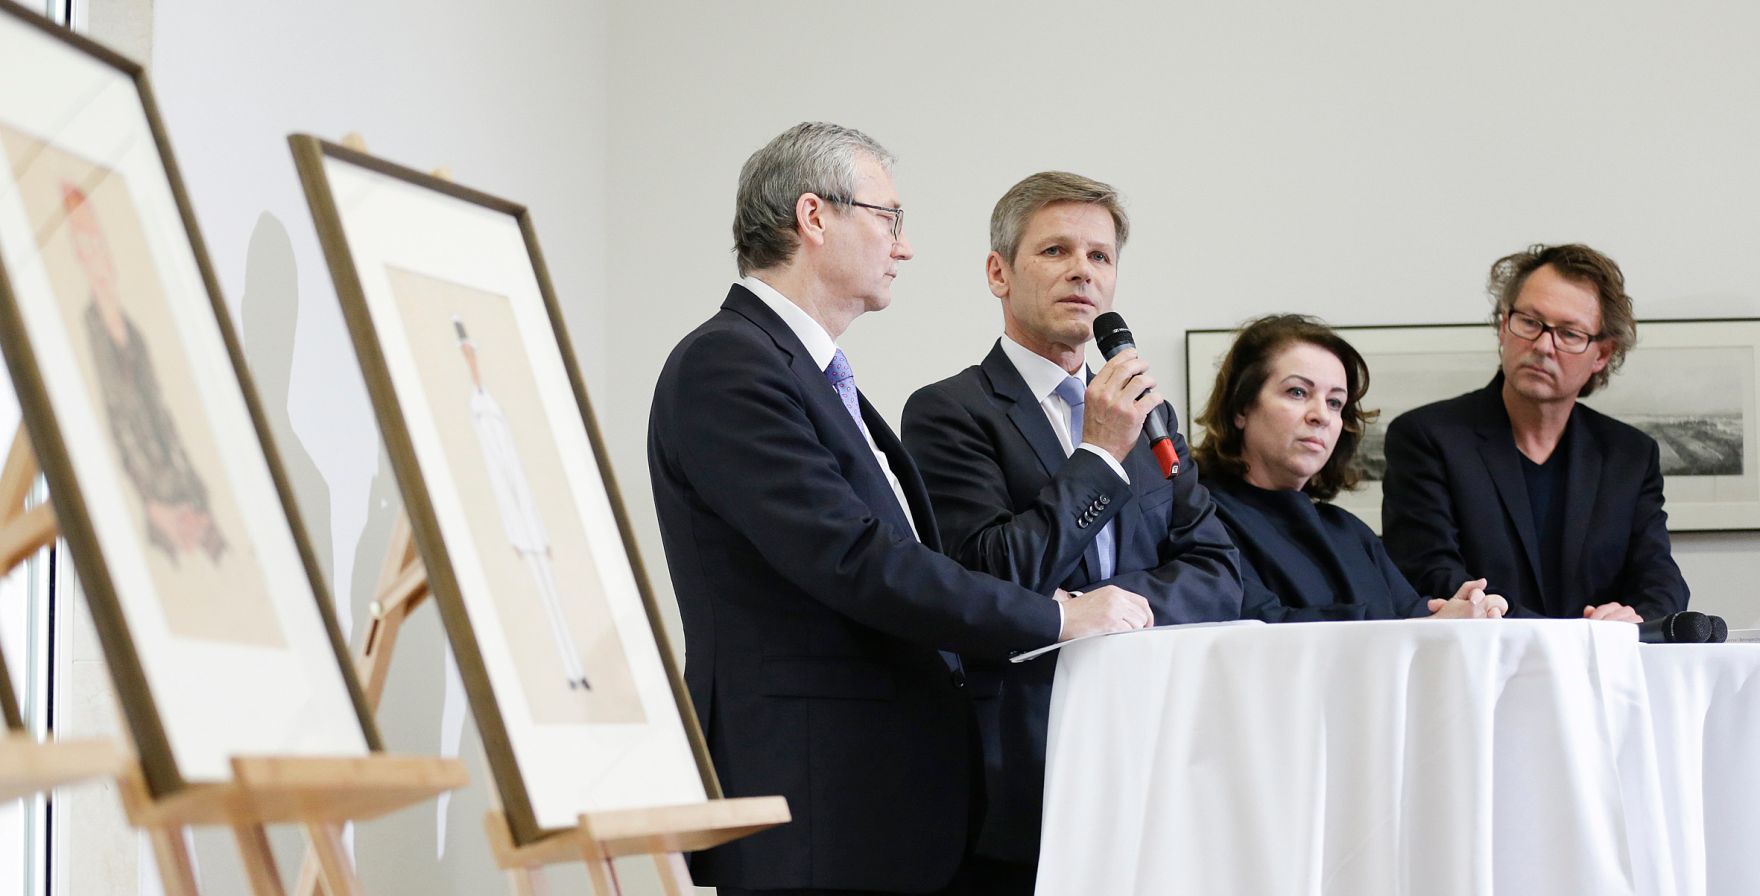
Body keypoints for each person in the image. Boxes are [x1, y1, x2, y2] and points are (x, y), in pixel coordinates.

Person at [647, 123, 1152, 896]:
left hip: (877, 793)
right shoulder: (729, 363)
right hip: (812, 792)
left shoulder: (807, 371)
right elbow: (857, 559)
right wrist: (1055, 616)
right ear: (814, 217)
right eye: (889, 218)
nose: (904, 247)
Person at [901, 171, 1241, 891]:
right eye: (1055, 250)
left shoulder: (1150, 413)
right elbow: (990, 574)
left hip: (1152, 745)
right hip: (1023, 755)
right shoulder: (949, 411)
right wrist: (1098, 456)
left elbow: (1219, 572)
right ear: (999, 273)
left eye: (1100, 256)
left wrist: (1105, 608)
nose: (1082, 271)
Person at [1381, 244, 1689, 621]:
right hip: (1480, 652)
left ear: (1602, 354)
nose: (1543, 346)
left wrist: (1635, 617)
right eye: (1529, 322)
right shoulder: (1426, 438)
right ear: (1502, 326)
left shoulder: (1629, 455)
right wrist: (1554, 637)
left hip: (1598, 657)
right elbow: (1430, 574)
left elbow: (1660, 579)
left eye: (1569, 334)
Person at [1194, 314, 1507, 621]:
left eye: (1335, 402)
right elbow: (1258, 623)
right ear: (1241, 408)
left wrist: (1464, 611)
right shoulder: (1200, 518)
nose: (1321, 415)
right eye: (1298, 392)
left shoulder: (1349, 531)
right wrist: (1424, 625)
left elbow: (1409, 614)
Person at [66, 181, 227, 566]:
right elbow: (113, 428)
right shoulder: (86, 330)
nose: (95, 255)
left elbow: (164, 413)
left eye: (97, 241)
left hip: (183, 489)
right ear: (77, 255)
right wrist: (154, 506)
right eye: (83, 244)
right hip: (155, 503)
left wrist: (198, 506)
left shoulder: (136, 332)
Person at [455, 317, 590, 691]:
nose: (472, 362)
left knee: (557, 600)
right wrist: (515, 531)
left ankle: (576, 671)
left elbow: (518, 474)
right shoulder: (477, 410)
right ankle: (567, 671)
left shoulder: (495, 408)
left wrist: (538, 529)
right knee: (543, 602)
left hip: (532, 524)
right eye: (467, 356)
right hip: (519, 527)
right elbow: (498, 479)